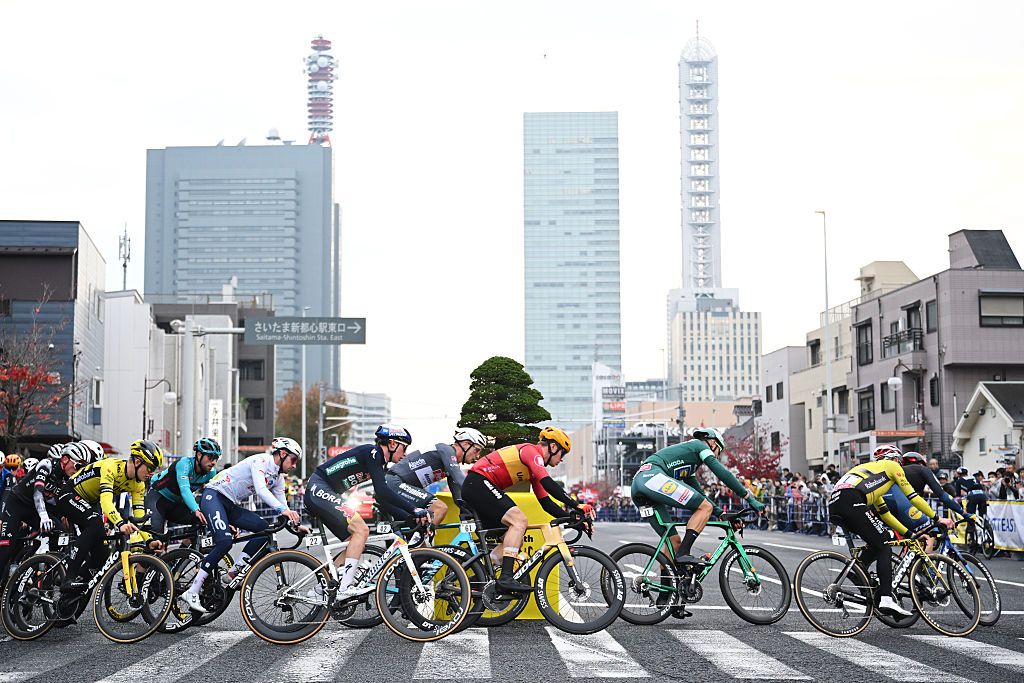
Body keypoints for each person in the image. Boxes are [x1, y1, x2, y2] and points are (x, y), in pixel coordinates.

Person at [302, 425, 429, 602]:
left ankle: (321, 588)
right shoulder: (373, 453)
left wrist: (409, 516)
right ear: (392, 444)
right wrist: (414, 508)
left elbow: (382, 499)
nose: (405, 453)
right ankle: (345, 588)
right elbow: (383, 490)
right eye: (404, 447)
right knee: (362, 530)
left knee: (354, 541)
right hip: (319, 487)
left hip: (324, 491)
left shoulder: (378, 462)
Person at [461, 426, 592, 593]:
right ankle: (506, 578)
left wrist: (573, 518)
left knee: (515, 540)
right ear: (553, 447)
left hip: (479, 486)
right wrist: (577, 505)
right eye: (563, 453)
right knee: (519, 521)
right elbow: (548, 483)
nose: (562, 459)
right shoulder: (531, 452)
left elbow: (546, 503)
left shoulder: (532, 470)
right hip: (478, 482)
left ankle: (475, 582)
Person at [181, 436, 304, 612]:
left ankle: (233, 572)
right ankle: (192, 590)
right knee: (224, 542)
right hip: (213, 496)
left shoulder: (278, 478)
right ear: (283, 454)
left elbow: (283, 506)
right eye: (293, 460)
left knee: (264, 531)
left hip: (230, 504)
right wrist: (283, 511)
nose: (294, 466)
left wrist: (295, 524)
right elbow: (261, 490)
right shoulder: (260, 461)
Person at [828, 445, 951, 617]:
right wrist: (937, 519)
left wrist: (910, 535)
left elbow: (885, 514)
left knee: (880, 537)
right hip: (851, 499)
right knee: (884, 546)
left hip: (835, 503)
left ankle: (860, 572)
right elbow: (913, 497)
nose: (901, 466)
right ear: (895, 459)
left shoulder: (873, 476)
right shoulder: (892, 466)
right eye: (900, 462)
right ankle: (886, 599)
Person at [630, 427, 765, 567]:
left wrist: (721, 513)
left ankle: (666, 587)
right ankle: (684, 554)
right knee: (705, 507)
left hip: (639, 485)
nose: (717, 456)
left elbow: (700, 494)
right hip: (652, 477)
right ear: (713, 443)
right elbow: (722, 473)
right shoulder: (700, 446)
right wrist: (749, 498)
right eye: (719, 451)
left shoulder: (689, 465)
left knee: (673, 542)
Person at [60, 440, 163, 612]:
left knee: (102, 554)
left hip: (90, 502)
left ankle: (77, 588)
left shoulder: (138, 484)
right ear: (137, 462)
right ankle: (68, 578)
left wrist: (149, 540)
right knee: (95, 524)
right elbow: (106, 501)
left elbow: (139, 518)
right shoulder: (110, 467)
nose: (151, 474)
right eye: (150, 468)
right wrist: (120, 523)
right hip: (69, 494)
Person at [0, 443, 89, 579]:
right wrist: (44, 516)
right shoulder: (46, 465)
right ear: (65, 460)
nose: (78, 470)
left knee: (60, 534)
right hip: (17, 505)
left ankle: (36, 569)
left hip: (34, 510)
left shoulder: (69, 479)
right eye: (77, 466)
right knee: (5, 550)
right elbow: (37, 493)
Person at [385, 427, 487, 525]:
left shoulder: (450, 465)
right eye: (477, 450)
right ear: (465, 444)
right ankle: (421, 540)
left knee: (420, 525)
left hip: (398, 486)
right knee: (440, 508)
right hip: (394, 482)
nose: (478, 456)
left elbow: (458, 496)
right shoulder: (446, 450)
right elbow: (462, 481)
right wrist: (486, 496)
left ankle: (419, 541)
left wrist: (468, 511)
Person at [882, 452, 971, 552]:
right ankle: (921, 565)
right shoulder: (923, 470)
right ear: (922, 463)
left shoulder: (897, 471)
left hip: (882, 503)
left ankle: (906, 563)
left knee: (912, 537)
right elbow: (942, 495)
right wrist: (963, 513)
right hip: (899, 503)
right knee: (929, 534)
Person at [146, 437, 221, 537]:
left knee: (201, 520)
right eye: (211, 457)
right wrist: (196, 510)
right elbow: (185, 490)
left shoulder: (211, 473)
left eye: (216, 458)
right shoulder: (185, 464)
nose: (214, 462)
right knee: (156, 538)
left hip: (175, 504)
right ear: (199, 455)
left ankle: (185, 548)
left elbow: (214, 495)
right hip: (157, 499)